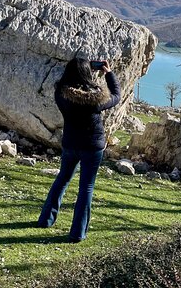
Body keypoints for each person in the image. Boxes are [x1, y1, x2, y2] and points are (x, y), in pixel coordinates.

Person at [37, 57, 120, 242]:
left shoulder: (61, 93)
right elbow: (116, 96)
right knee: (86, 187)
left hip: (70, 144)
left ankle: (45, 220)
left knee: (62, 179)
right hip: (92, 146)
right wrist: (108, 73)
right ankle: (77, 233)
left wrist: (82, 69)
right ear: (87, 74)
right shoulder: (95, 98)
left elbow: (71, 82)